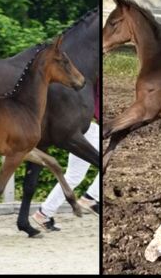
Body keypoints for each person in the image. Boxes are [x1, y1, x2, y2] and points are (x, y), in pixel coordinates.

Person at [32, 79, 99, 231]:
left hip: (87, 129)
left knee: (73, 176)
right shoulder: (92, 78)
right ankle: (91, 197)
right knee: (107, 163)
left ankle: (43, 213)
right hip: (91, 129)